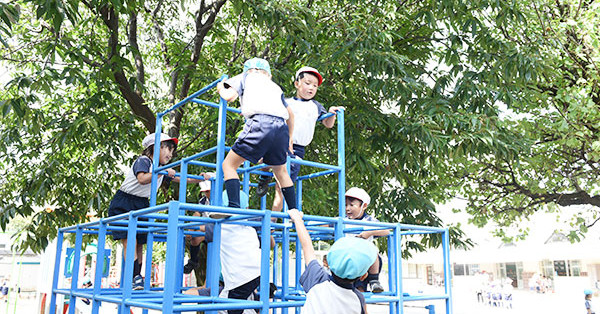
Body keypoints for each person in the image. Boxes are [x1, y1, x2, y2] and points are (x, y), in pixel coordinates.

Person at [108, 133, 209, 290]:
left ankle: (137, 277)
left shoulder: (163, 169)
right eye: (166, 148)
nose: (170, 154)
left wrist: (200, 178)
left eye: (172, 150)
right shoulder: (144, 161)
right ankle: (134, 276)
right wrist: (161, 172)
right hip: (125, 202)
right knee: (130, 240)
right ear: (153, 148)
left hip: (142, 204)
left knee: (140, 243)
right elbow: (142, 178)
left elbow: (183, 178)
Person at [217, 57, 298, 218]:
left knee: (229, 165)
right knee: (281, 171)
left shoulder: (246, 77)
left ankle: (234, 206)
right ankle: (295, 210)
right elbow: (290, 114)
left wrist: (220, 87)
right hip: (281, 128)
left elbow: (229, 96)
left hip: (260, 123)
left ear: (248, 70)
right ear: (268, 74)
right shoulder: (275, 87)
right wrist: (289, 139)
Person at [256, 67, 343, 212]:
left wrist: (332, 112)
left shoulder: (316, 106)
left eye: (315, 86)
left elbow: (328, 124)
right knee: (262, 160)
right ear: (297, 84)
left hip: (296, 149)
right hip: (279, 142)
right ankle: (264, 177)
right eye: (308, 83)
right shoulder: (287, 101)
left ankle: (270, 224)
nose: (311, 88)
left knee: (282, 185)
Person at [186, 190, 262, 314]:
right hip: (252, 274)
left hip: (236, 278)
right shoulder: (252, 223)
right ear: (246, 207)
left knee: (225, 304)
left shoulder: (222, 226)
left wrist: (196, 219)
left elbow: (195, 230)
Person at [288, 208, 377, 314]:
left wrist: (298, 220)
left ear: (328, 264)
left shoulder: (318, 279)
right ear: (363, 276)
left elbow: (307, 247)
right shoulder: (358, 299)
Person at [344, 187, 389, 293]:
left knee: (373, 251)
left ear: (363, 206)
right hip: (348, 259)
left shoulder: (369, 221)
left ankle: (374, 281)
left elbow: (386, 231)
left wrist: (370, 233)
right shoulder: (343, 220)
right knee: (351, 290)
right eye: (345, 205)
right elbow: (327, 224)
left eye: (351, 205)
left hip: (365, 260)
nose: (347, 208)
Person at [184, 178, 213, 274]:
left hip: (216, 226)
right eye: (204, 191)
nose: (206, 194)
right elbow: (197, 214)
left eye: (207, 191)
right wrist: (191, 228)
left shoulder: (221, 199)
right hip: (207, 226)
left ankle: (193, 261)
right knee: (194, 237)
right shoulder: (203, 200)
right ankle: (193, 260)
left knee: (196, 234)